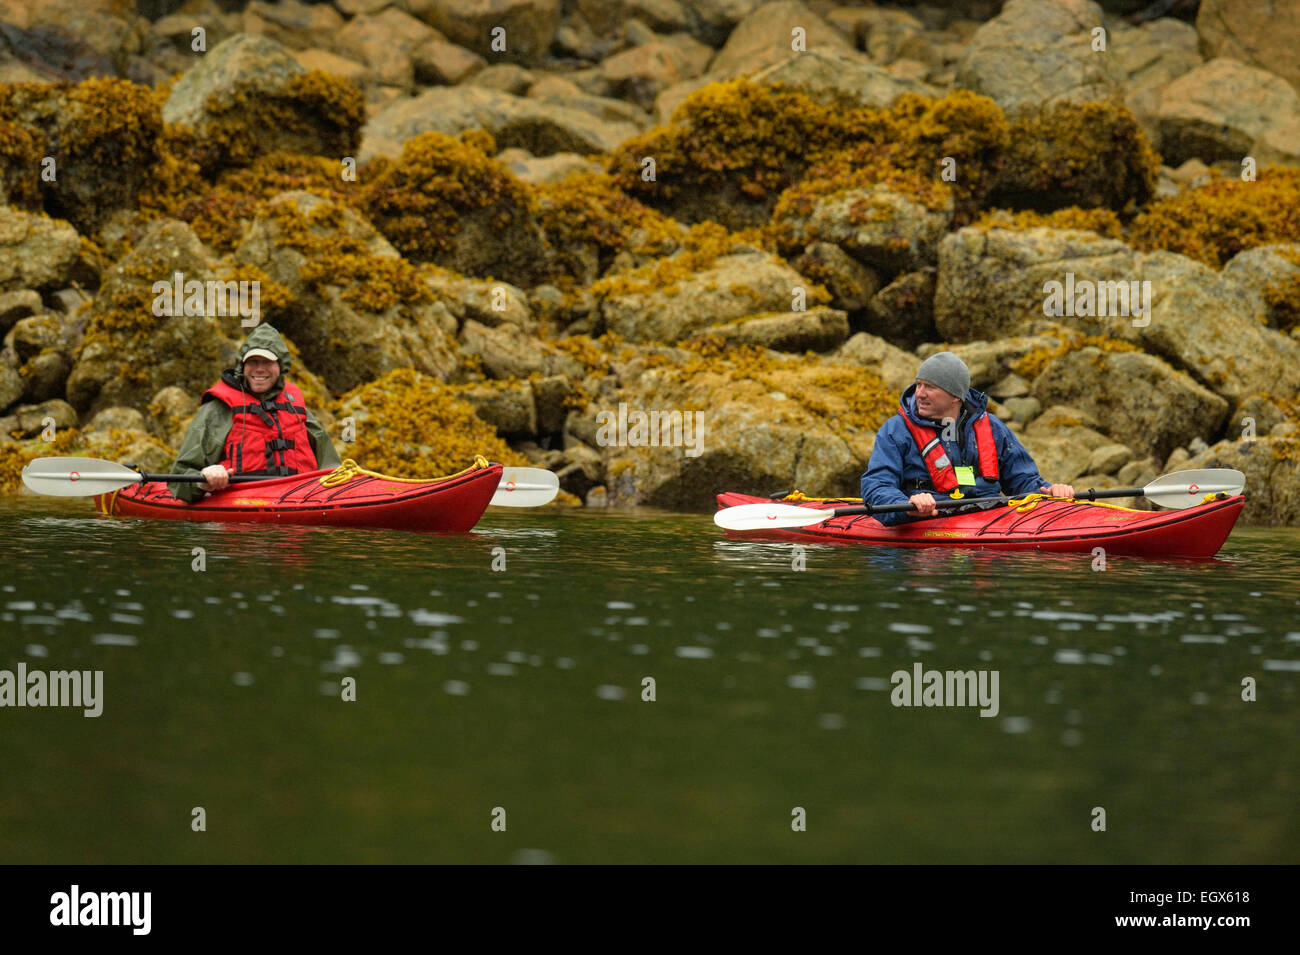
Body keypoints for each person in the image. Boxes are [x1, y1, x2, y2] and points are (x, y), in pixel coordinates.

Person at [861, 351, 1074, 525]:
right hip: (928, 522)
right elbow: (877, 486)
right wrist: (906, 504)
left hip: (990, 518)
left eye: (930, 387)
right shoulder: (895, 430)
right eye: (919, 385)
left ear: (955, 397)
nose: (920, 394)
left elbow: (1023, 481)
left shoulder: (992, 427)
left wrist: (1050, 491)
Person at [169, 324, 341, 502]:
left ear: (281, 366)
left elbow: (332, 468)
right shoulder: (218, 408)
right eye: (252, 362)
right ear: (242, 366)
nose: (259, 369)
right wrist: (205, 479)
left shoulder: (294, 404)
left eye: (267, 362)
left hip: (302, 496)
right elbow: (180, 479)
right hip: (240, 504)